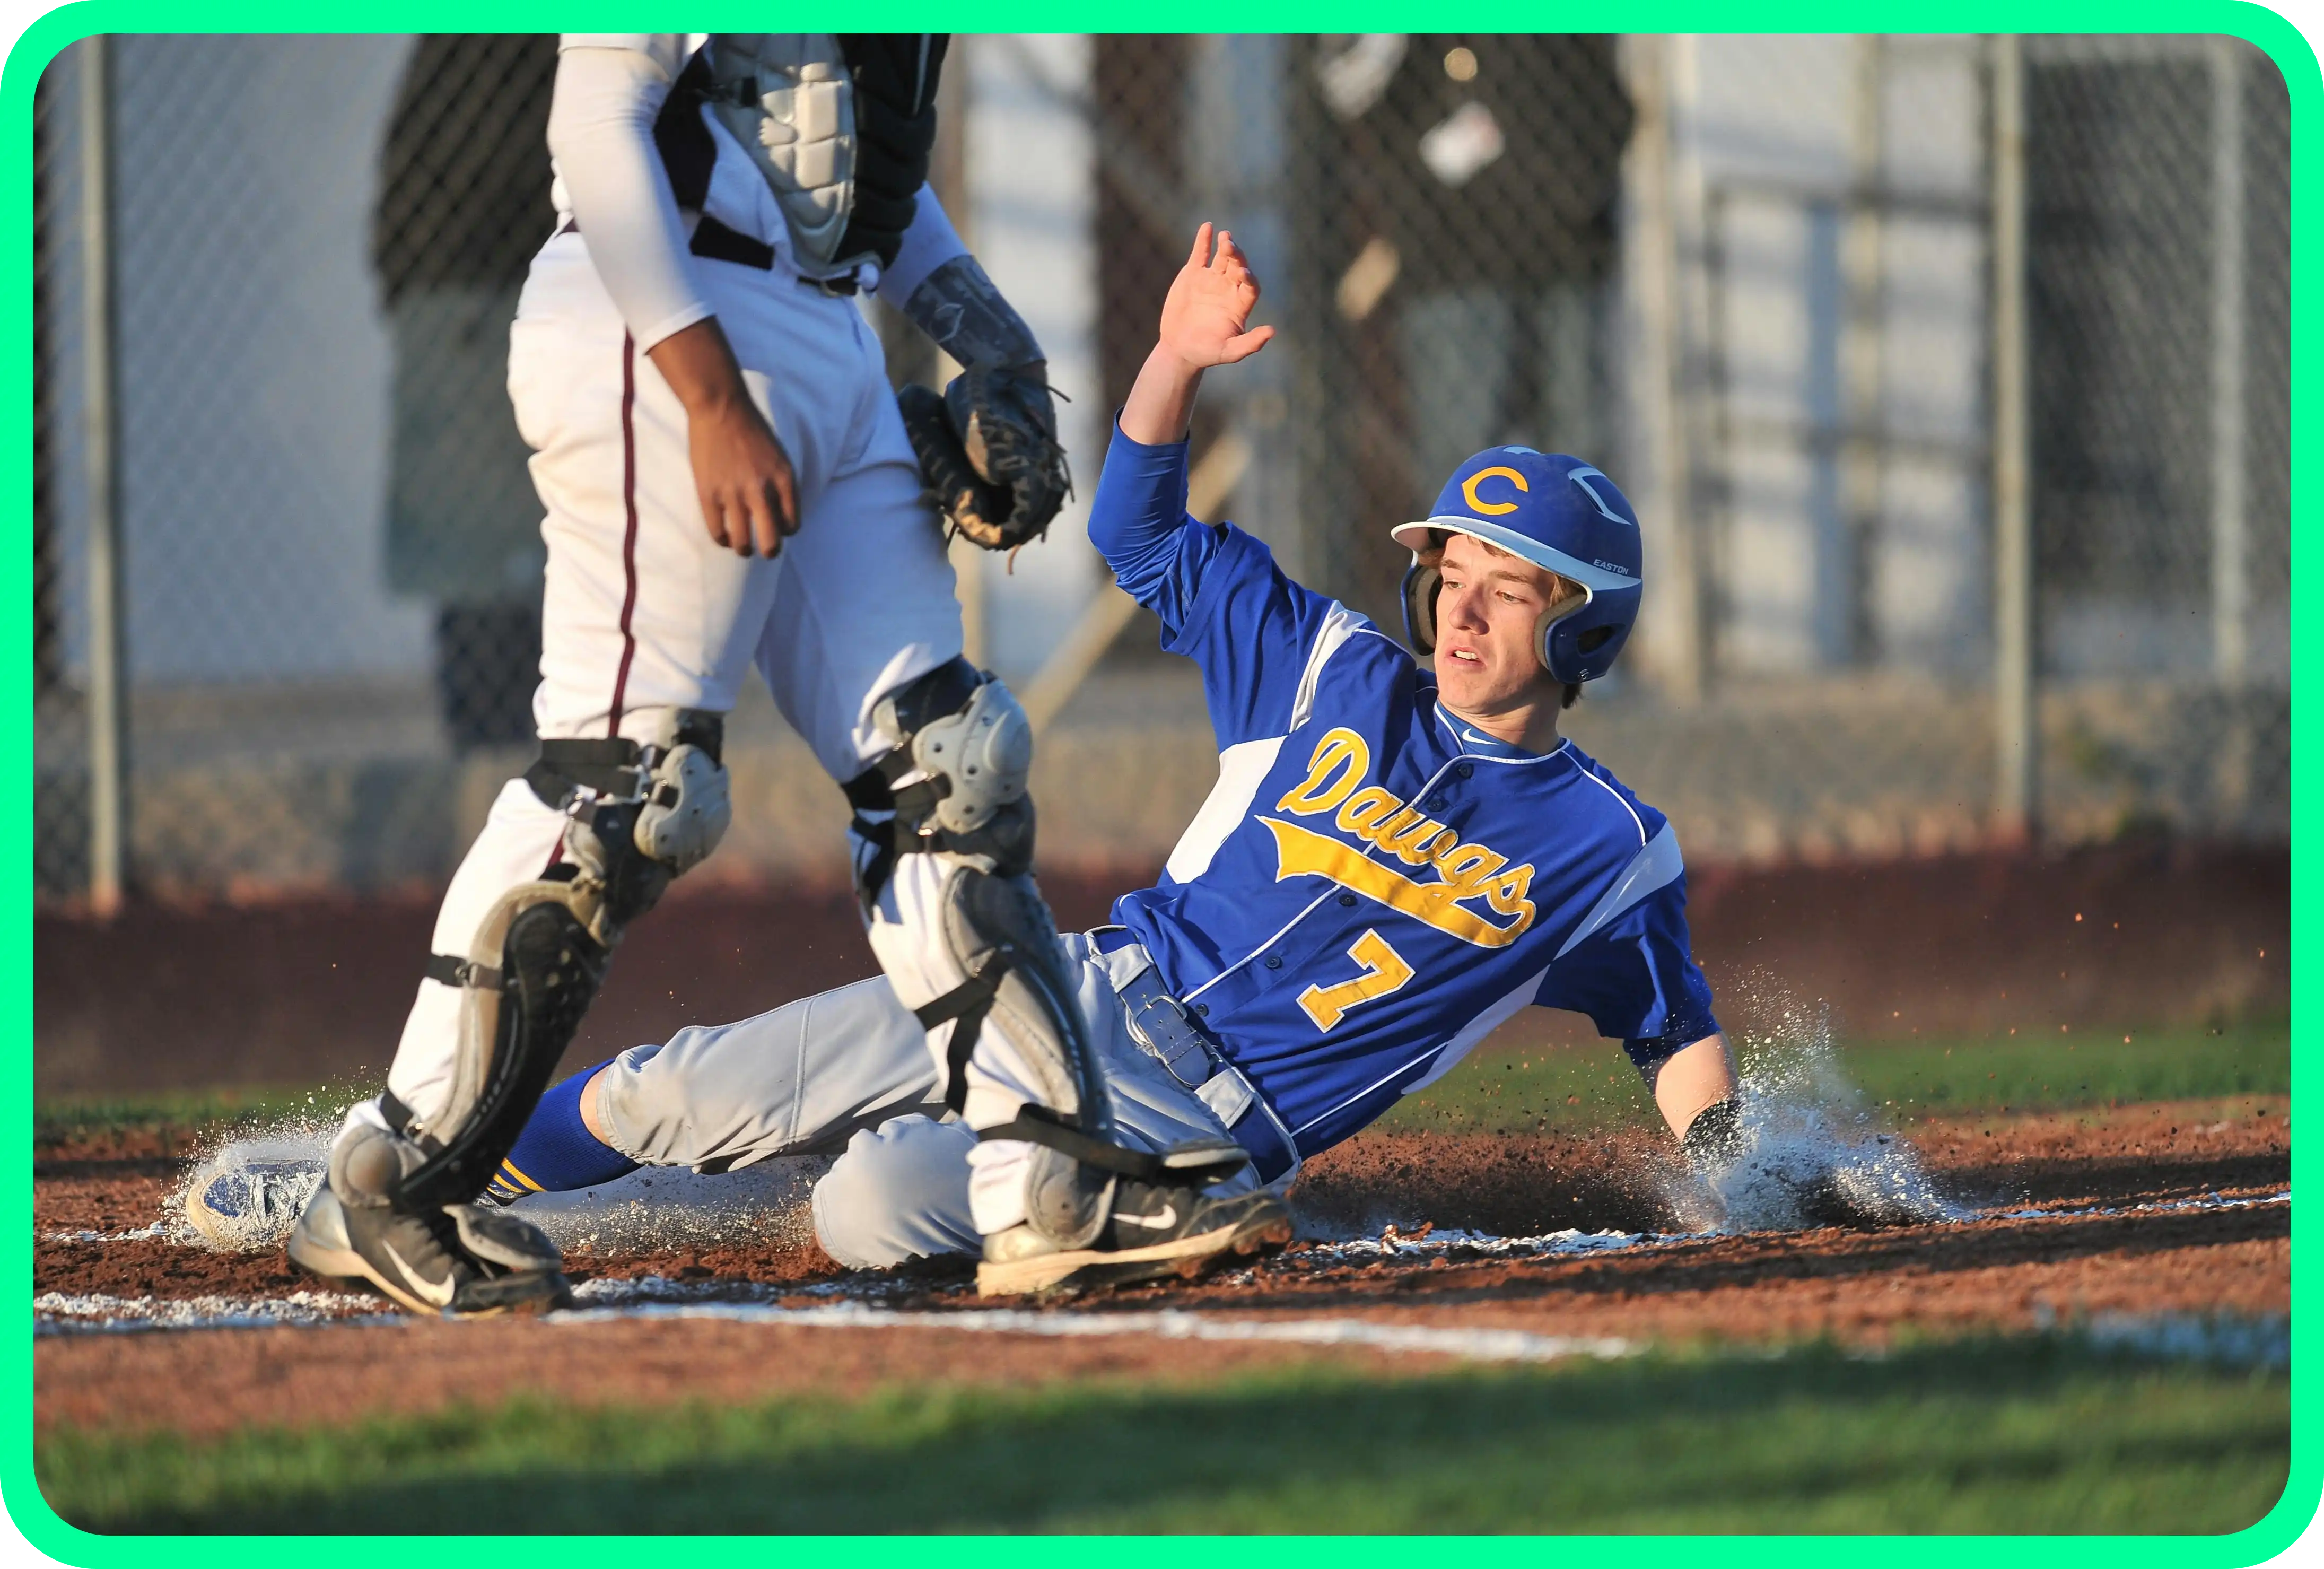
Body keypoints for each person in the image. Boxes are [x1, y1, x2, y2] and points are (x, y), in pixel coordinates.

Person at [405, 222, 1741, 1280]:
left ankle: (1137, 1212)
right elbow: (1141, 539)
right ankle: (411, 1170)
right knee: (679, 1084)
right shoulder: (1328, 666)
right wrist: (1172, 363)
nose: (1460, 604)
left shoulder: (1605, 847)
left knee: (870, 1202)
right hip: (1065, 991)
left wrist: (1745, 1172)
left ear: (1584, 630)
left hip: (1200, 1128)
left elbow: (1667, 1023)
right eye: (1452, 570)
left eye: (1509, 590)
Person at [284, 37, 1283, 1317]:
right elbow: (598, 122)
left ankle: (1049, 1186)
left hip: (828, 330)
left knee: (948, 769)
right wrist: (704, 394)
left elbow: (855, 157)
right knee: (625, 788)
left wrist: (994, 341)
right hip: (659, 319)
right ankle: (399, 1177)